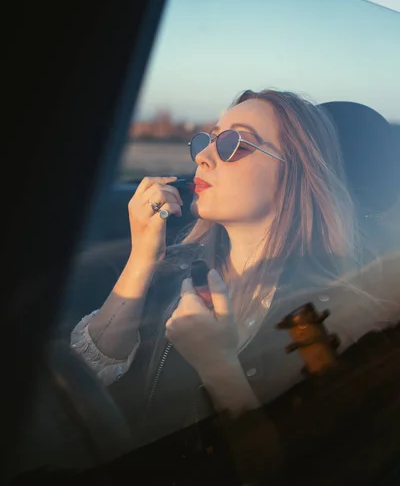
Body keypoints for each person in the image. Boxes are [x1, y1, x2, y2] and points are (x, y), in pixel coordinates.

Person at [71, 89, 400, 484]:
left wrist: (219, 367)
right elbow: (82, 381)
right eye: (208, 139)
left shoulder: (338, 312)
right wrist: (142, 256)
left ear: (296, 171)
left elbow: (314, 466)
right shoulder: (176, 268)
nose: (202, 156)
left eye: (233, 144)